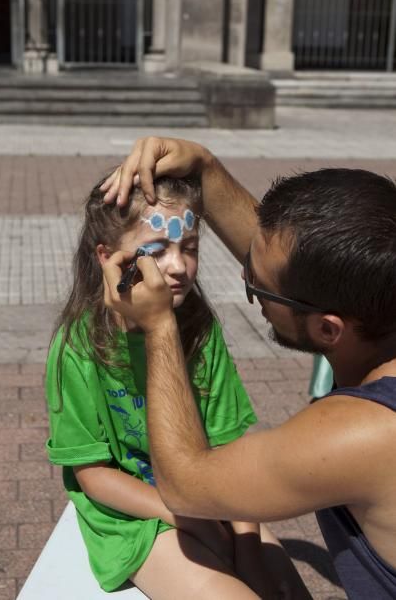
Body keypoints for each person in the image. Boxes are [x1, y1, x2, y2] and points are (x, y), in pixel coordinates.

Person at [100, 137, 396, 600]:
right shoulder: (377, 299)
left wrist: (160, 328)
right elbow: (301, 273)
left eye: (258, 290)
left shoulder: (362, 433)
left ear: (328, 330)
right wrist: (205, 166)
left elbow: (185, 485)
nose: (247, 280)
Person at [45, 175, 309, 599]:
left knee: (283, 590)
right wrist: (186, 518)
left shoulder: (200, 332)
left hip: (212, 496)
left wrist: (245, 545)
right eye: (156, 250)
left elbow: (228, 449)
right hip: (133, 518)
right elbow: (94, 475)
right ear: (107, 257)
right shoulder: (78, 346)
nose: (176, 265)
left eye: (189, 248)